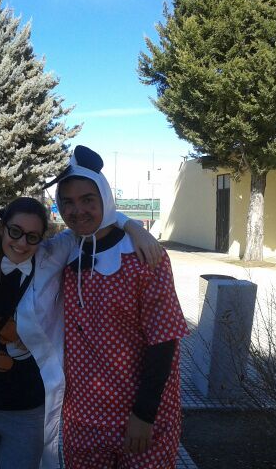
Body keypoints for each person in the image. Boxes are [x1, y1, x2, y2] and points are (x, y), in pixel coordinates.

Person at [0, 197, 161, 469]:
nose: (22, 243)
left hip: (28, 410)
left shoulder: (52, 256)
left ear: (42, 238)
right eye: (15, 231)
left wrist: (133, 227)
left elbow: (89, 221)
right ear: (2, 227)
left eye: (32, 236)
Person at [51, 145, 189, 468]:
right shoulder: (64, 251)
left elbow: (164, 340)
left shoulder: (145, 257)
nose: (77, 210)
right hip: (82, 420)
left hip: (141, 423)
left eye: (88, 199)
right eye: (67, 201)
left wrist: (144, 414)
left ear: (105, 198)